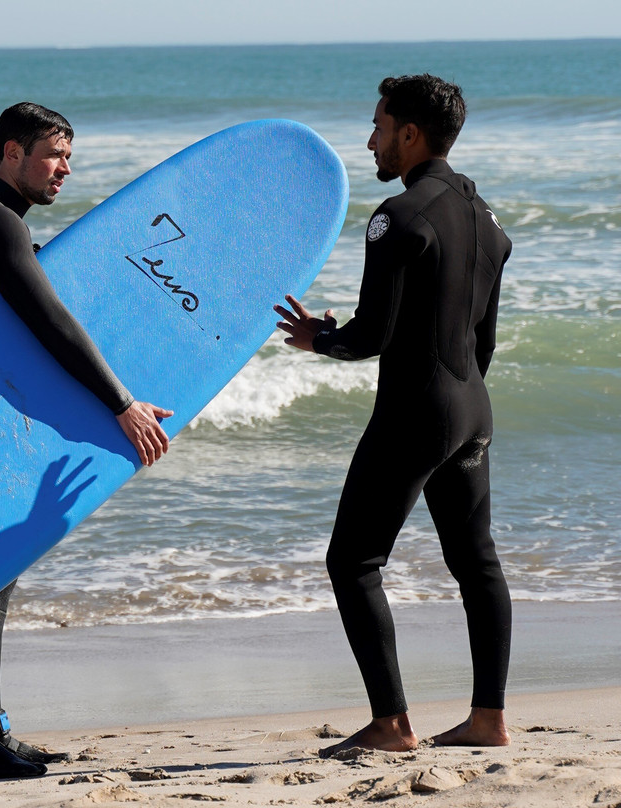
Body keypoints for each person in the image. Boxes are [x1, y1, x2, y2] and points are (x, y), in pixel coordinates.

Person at [274, 75, 513, 757]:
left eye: (379, 126)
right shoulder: (488, 220)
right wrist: (454, 406)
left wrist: (320, 338)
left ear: (410, 135)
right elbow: (482, 341)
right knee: (477, 564)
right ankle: (488, 719)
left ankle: (391, 723)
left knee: (353, 562)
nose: (371, 139)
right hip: (472, 408)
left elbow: (372, 335)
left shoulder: (396, 217)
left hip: (418, 411)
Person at [0, 102, 174, 780]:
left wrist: (117, 401)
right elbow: (50, 322)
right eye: (53, 155)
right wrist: (119, 405)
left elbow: (42, 336)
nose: (65, 168)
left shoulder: (4, 230)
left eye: (69, 157)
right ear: (11, 153)